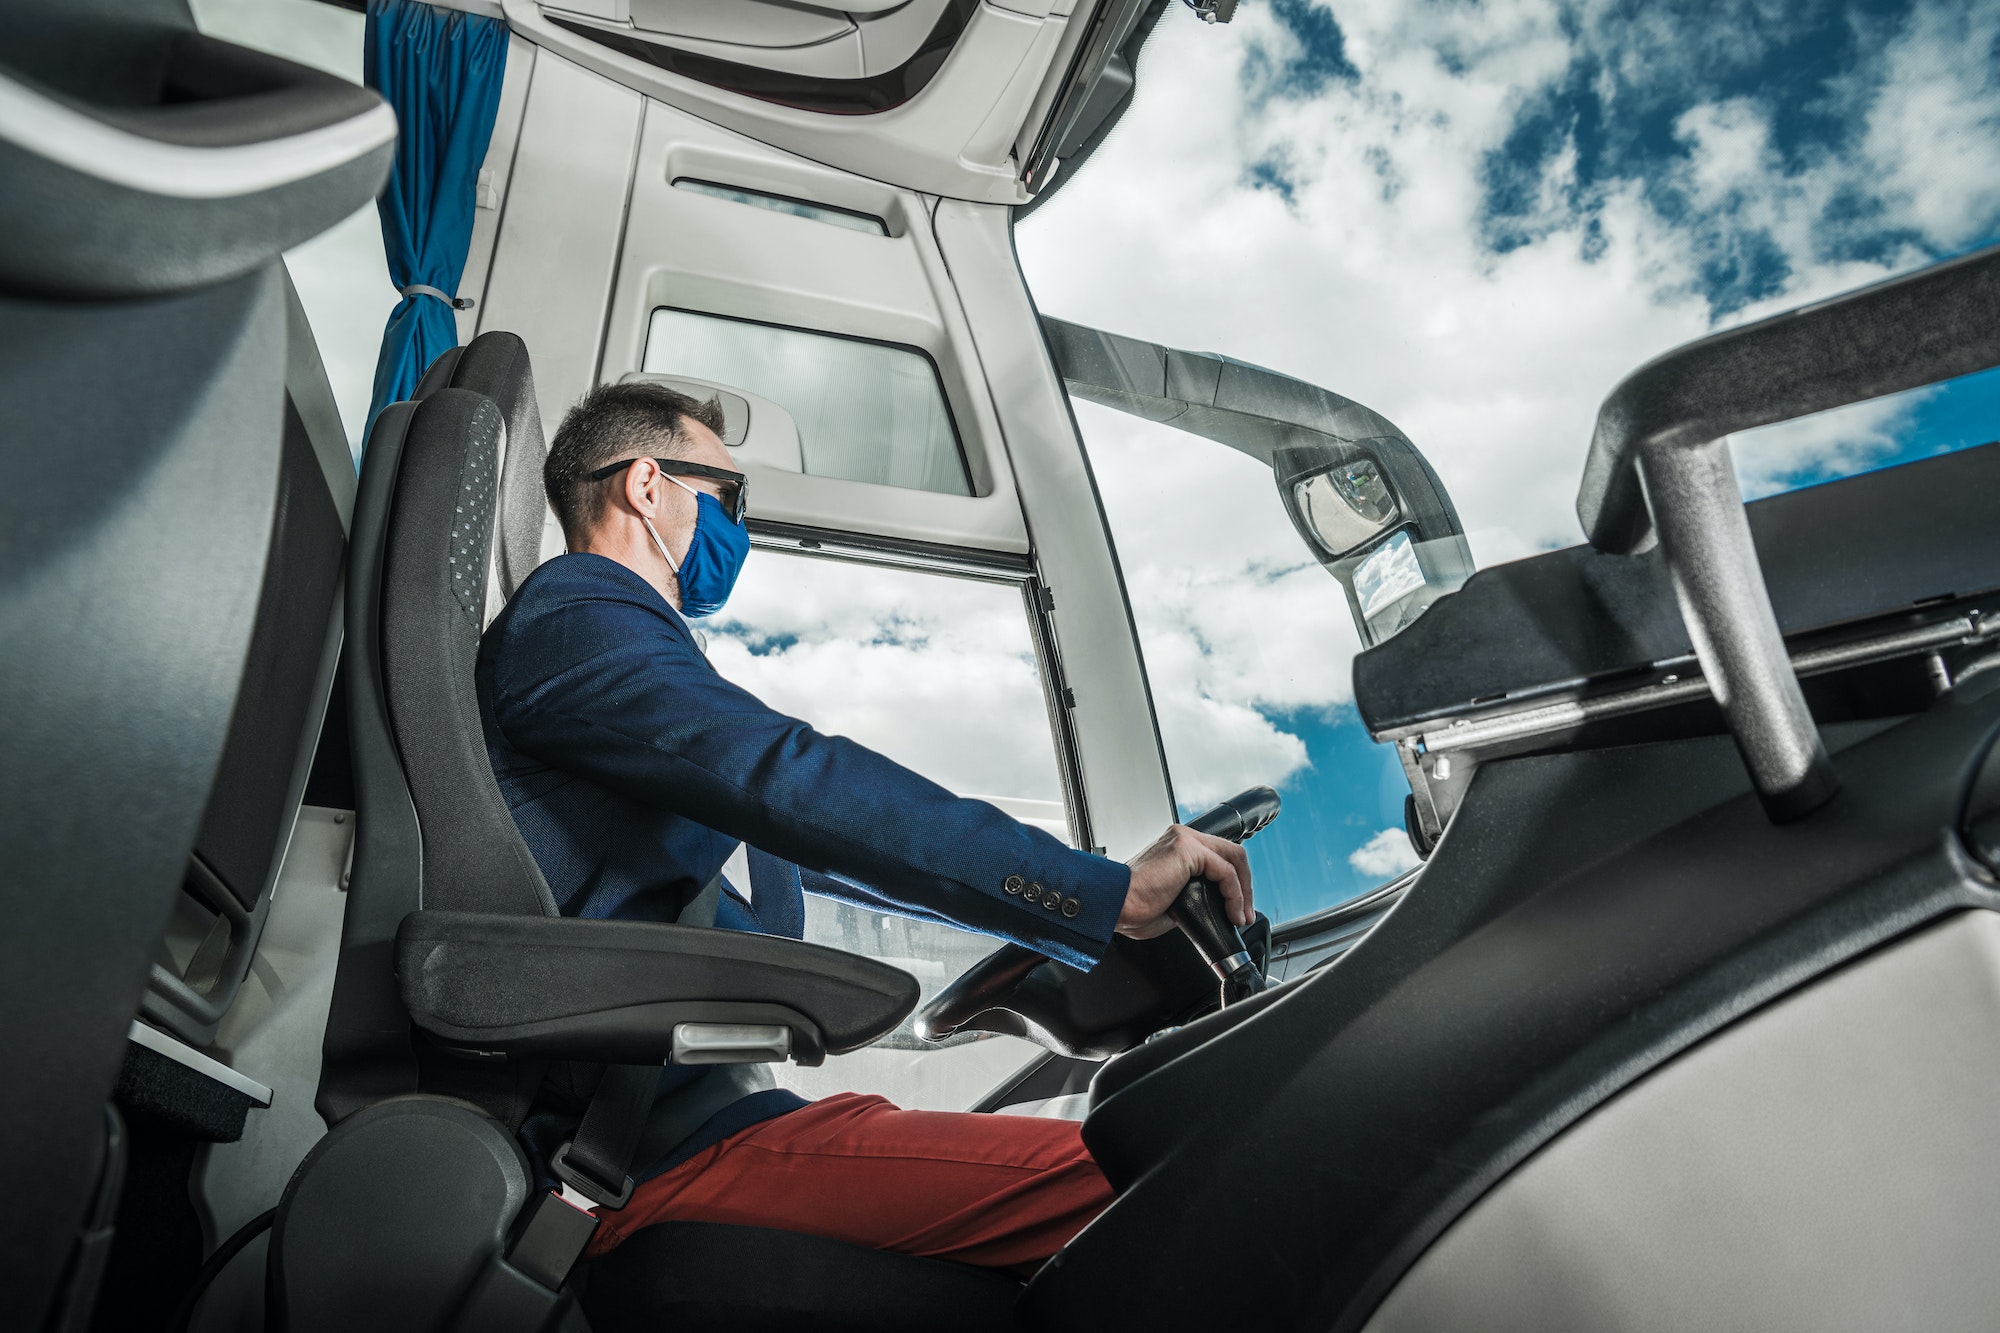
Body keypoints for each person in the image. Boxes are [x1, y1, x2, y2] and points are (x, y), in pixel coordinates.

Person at [476, 380, 1252, 1271]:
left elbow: (810, 838)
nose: (741, 529)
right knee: (1167, 1172)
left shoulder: (622, 653)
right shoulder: (580, 612)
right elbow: (794, 782)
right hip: (660, 1153)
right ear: (646, 485)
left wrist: (1076, 895)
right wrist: (1103, 896)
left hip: (713, 1119)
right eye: (729, 497)